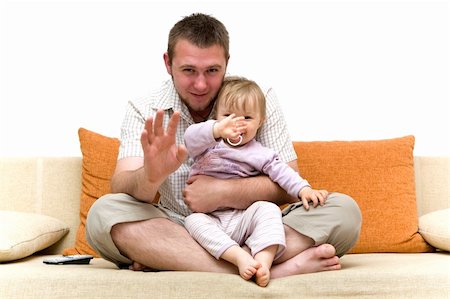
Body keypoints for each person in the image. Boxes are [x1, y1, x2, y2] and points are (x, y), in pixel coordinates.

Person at [85, 13, 362, 279]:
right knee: (103, 215)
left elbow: (286, 185)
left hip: (250, 223)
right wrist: (151, 176)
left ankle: (178, 260)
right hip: (181, 227)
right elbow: (122, 188)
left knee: (344, 212)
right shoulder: (144, 107)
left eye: (213, 70)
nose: (201, 84)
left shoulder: (255, 99)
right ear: (168, 63)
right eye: (188, 70)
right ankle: (266, 269)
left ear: (227, 62)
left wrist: (223, 192)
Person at [183, 77, 329, 287]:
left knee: (268, 209)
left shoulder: (260, 153)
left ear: (260, 122)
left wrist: (304, 189)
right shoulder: (207, 145)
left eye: (247, 117)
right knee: (192, 222)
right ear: (216, 118)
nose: (237, 124)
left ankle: (263, 261)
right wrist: (216, 130)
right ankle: (239, 257)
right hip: (211, 218)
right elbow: (190, 138)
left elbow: (282, 172)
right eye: (228, 116)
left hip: (243, 218)